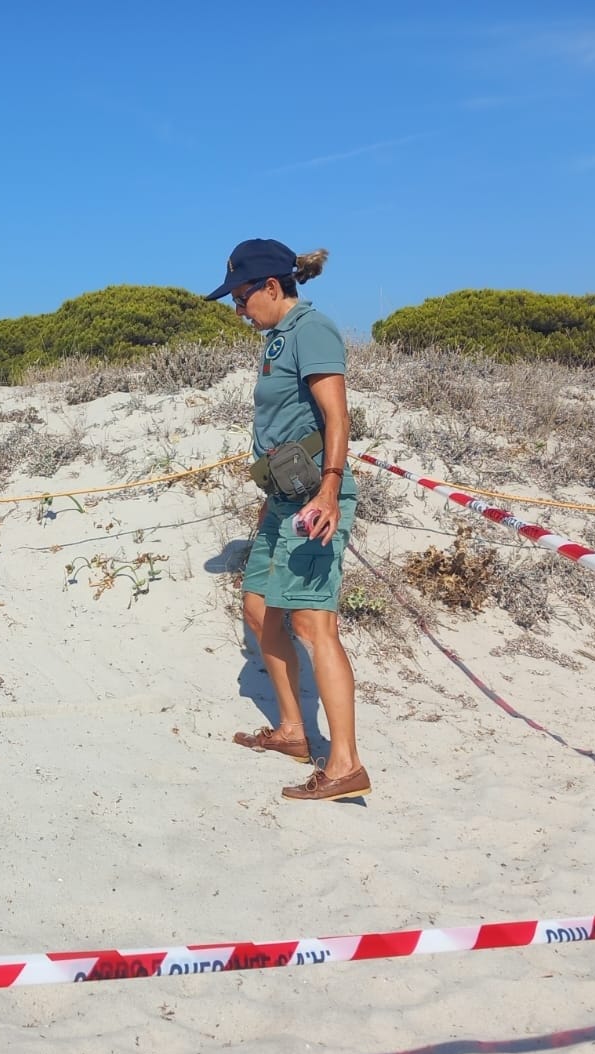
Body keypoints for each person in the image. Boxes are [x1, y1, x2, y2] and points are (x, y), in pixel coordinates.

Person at [202, 239, 370, 802]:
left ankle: (345, 765)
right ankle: (295, 732)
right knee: (258, 607)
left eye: (243, 297)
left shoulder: (311, 330)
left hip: (314, 499)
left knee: (312, 624)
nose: (238, 309)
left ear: (272, 287)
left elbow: (336, 412)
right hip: (282, 499)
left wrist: (328, 488)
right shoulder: (276, 338)